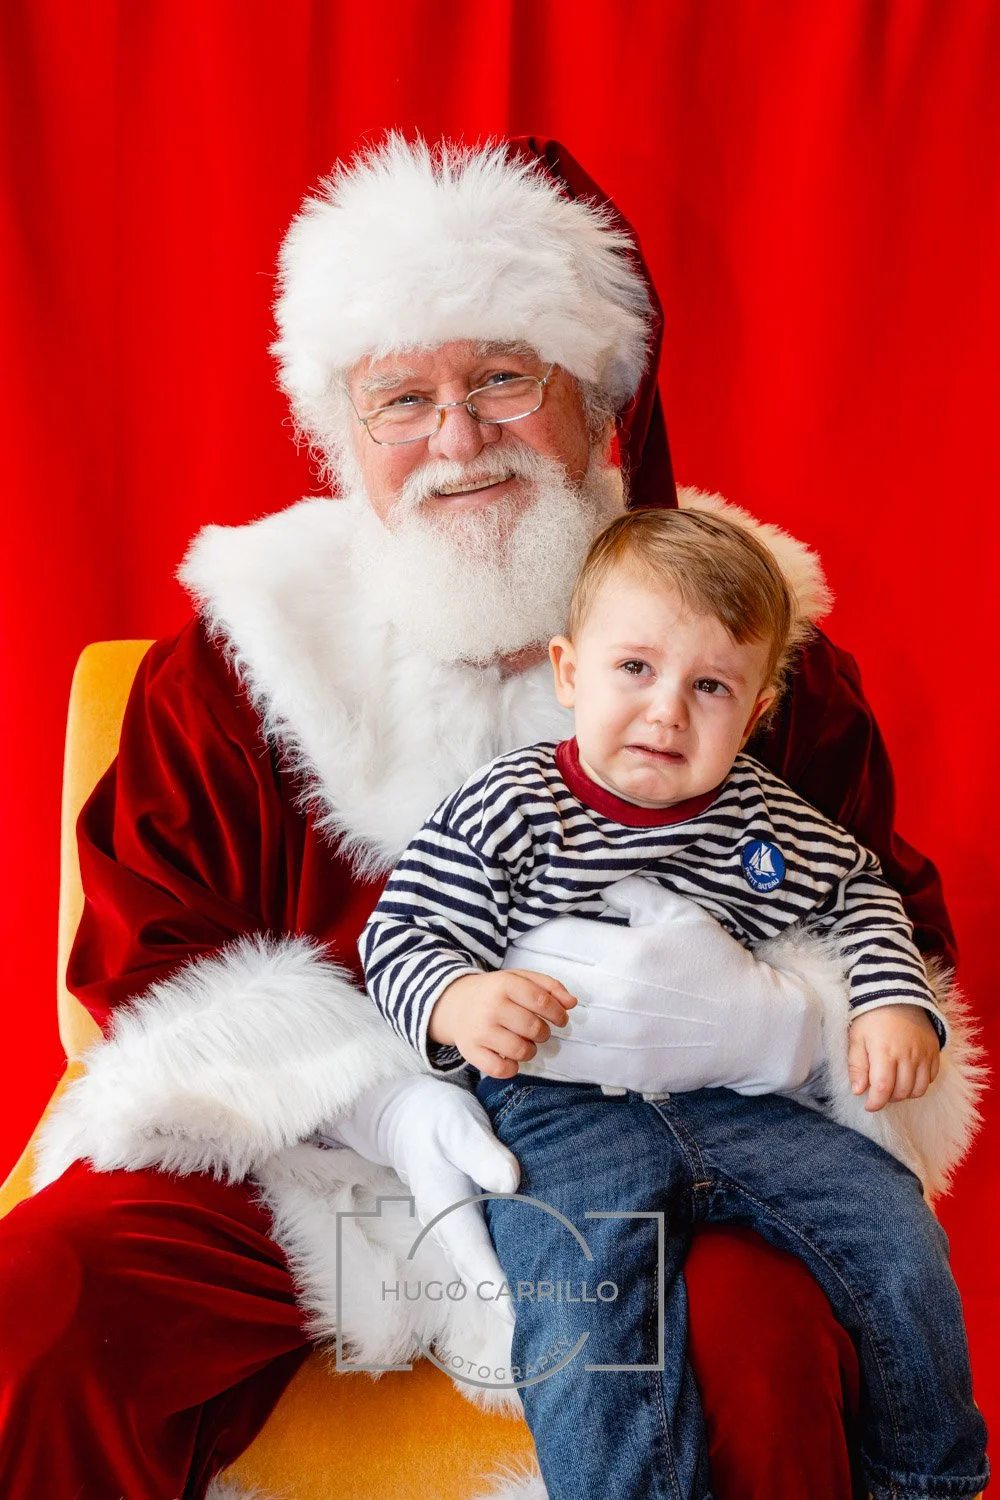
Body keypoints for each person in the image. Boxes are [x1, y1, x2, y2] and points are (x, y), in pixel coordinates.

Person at [0, 134, 978, 1500]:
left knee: (759, 1346)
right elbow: (158, 956)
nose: (455, 441)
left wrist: (777, 1028)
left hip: (679, 1161)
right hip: (324, 1179)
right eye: (401, 399)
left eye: (504, 380)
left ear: (597, 398)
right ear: (345, 433)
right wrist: (387, 1106)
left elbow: (883, 929)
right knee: (43, 1301)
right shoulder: (241, 655)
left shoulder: (751, 646)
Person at [358, 504, 987, 1500]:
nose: (666, 713)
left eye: (709, 687)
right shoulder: (510, 806)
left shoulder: (764, 821)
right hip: (560, 1112)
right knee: (584, 1309)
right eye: (635, 669)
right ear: (569, 672)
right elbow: (401, 934)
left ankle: (927, 1480)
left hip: (738, 1102)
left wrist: (887, 1003)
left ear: (756, 711)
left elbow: (859, 893)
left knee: (893, 1231)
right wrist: (458, 998)